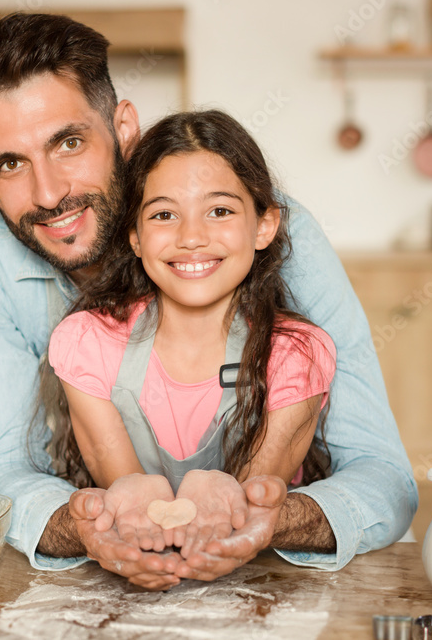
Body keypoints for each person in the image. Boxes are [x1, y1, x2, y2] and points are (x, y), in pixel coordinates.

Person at [0, 12, 417, 591]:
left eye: (68, 143)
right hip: (100, 586)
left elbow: (383, 476)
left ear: (124, 126)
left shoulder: (254, 227)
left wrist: (267, 520)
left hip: (273, 585)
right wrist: (88, 526)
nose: (48, 193)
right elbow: (3, 474)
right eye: (10, 164)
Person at [45, 110, 337, 560]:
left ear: (264, 225)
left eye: (219, 211)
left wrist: (221, 496)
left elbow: (245, 510)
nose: (192, 237)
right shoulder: (86, 344)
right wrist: (137, 506)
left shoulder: (298, 356)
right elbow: (131, 501)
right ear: (135, 237)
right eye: (164, 215)